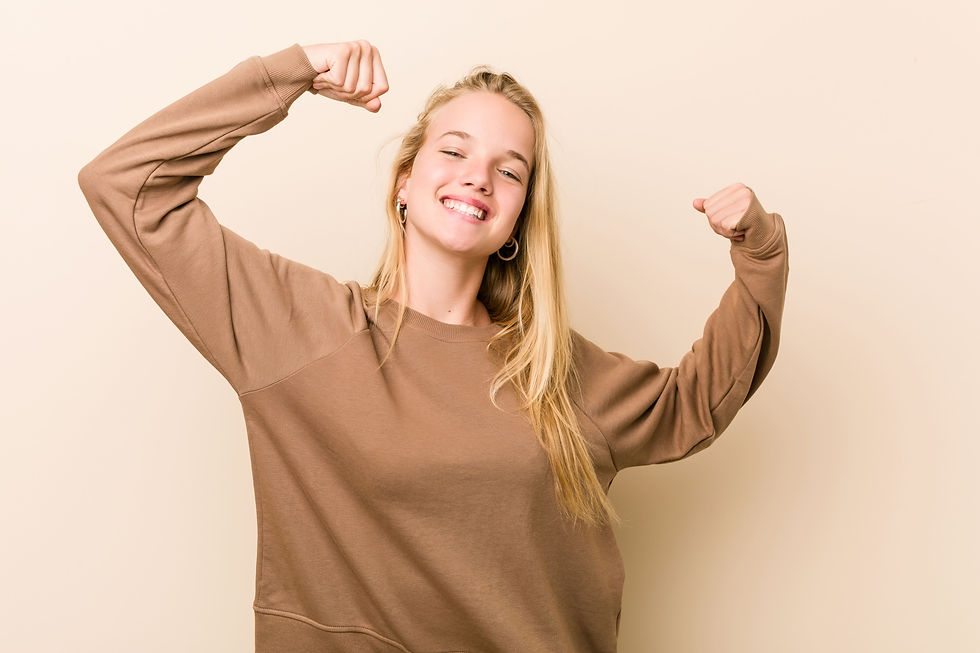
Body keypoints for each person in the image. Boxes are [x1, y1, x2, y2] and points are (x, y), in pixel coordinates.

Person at [78, 39, 789, 653]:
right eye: (454, 150)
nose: (478, 176)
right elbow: (129, 187)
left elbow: (695, 401)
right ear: (404, 182)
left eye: (510, 170)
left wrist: (758, 250)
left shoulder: (551, 369)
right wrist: (294, 71)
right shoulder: (299, 329)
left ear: (518, 218)